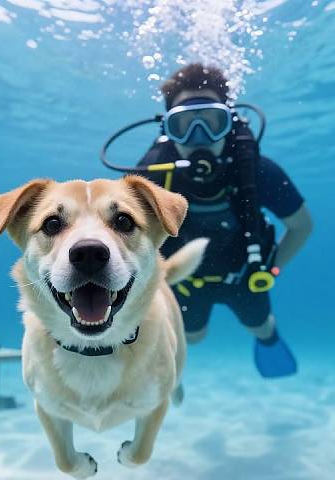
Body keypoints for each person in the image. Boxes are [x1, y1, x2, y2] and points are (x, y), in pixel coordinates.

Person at [134, 63, 313, 378]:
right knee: (193, 338)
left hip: (246, 276)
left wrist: (270, 269)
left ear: (229, 123)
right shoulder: (150, 178)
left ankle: (269, 341)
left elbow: (302, 226)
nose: (198, 137)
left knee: (260, 327)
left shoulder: (256, 170)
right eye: (183, 125)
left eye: (211, 122)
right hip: (185, 284)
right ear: (167, 130)